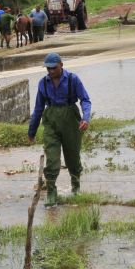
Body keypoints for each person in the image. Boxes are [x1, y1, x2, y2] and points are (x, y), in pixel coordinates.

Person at [28, 53, 92, 207]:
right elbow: (38, 108)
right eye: (48, 68)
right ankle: (51, 191)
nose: (50, 71)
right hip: (51, 121)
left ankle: (75, 186)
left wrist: (86, 118)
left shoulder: (73, 79)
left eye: (53, 68)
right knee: (52, 156)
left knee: (72, 155)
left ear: (61, 65)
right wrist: (32, 130)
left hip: (71, 119)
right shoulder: (43, 83)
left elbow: (85, 99)